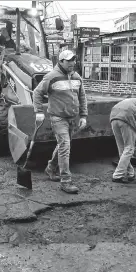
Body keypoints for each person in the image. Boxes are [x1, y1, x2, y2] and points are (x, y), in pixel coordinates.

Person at [33, 50, 87, 194]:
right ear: (61, 61)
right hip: (57, 117)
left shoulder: (76, 77)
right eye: (69, 60)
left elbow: (82, 97)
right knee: (65, 146)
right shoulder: (51, 77)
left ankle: (51, 168)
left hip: (72, 118)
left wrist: (83, 116)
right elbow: (37, 93)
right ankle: (66, 181)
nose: (72, 63)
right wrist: (38, 111)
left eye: (73, 60)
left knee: (63, 145)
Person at [109, 98, 136, 183]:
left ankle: (130, 173)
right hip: (127, 117)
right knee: (129, 148)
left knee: (122, 149)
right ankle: (118, 175)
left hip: (113, 116)